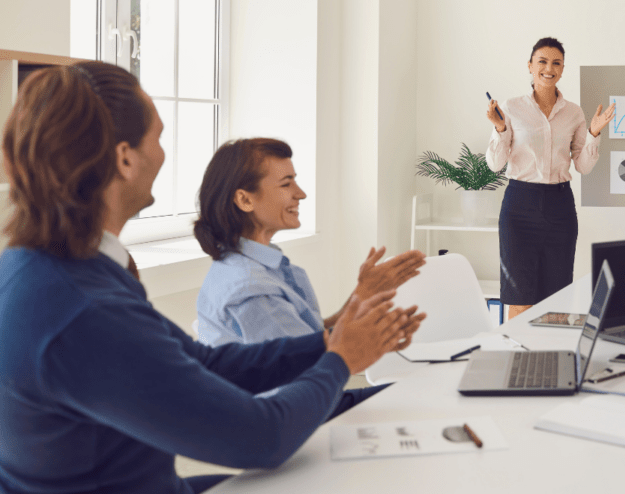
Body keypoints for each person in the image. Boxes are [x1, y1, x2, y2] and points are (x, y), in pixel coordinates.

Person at [0, 61, 412, 494]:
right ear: (125, 158)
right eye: (157, 137)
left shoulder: (41, 264)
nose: (163, 153)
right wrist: (341, 360)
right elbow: (261, 439)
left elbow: (204, 363)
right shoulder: (84, 310)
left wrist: (328, 343)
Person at [193, 137, 426, 348]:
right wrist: (374, 335)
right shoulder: (251, 290)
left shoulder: (258, 267)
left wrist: (363, 296)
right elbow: (308, 363)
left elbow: (312, 337)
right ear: (244, 199)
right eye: (286, 184)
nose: (301, 193)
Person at [485, 37, 616, 319]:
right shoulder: (512, 107)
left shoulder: (573, 113)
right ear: (530, 66)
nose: (549, 68)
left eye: (556, 63)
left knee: (557, 300)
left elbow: (583, 166)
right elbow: (495, 164)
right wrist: (499, 129)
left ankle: (550, 361)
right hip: (519, 206)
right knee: (520, 301)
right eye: (542, 61)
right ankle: (520, 359)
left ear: (563, 68)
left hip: (559, 208)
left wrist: (593, 133)